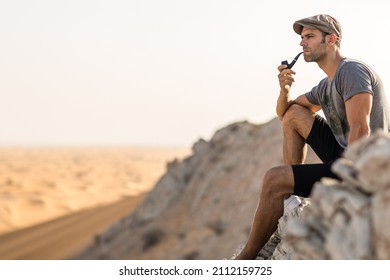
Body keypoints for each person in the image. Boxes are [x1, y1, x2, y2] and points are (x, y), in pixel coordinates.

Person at [235, 14, 390, 260]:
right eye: (301, 37)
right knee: (296, 113)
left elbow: (362, 131)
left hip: (364, 166)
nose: (302, 43)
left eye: (309, 37)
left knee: (274, 179)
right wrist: (284, 89)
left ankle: (245, 261)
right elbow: (287, 114)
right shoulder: (325, 85)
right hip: (343, 155)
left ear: (331, 39)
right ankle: (289, 199)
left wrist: (349, 192)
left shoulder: (351, 71)